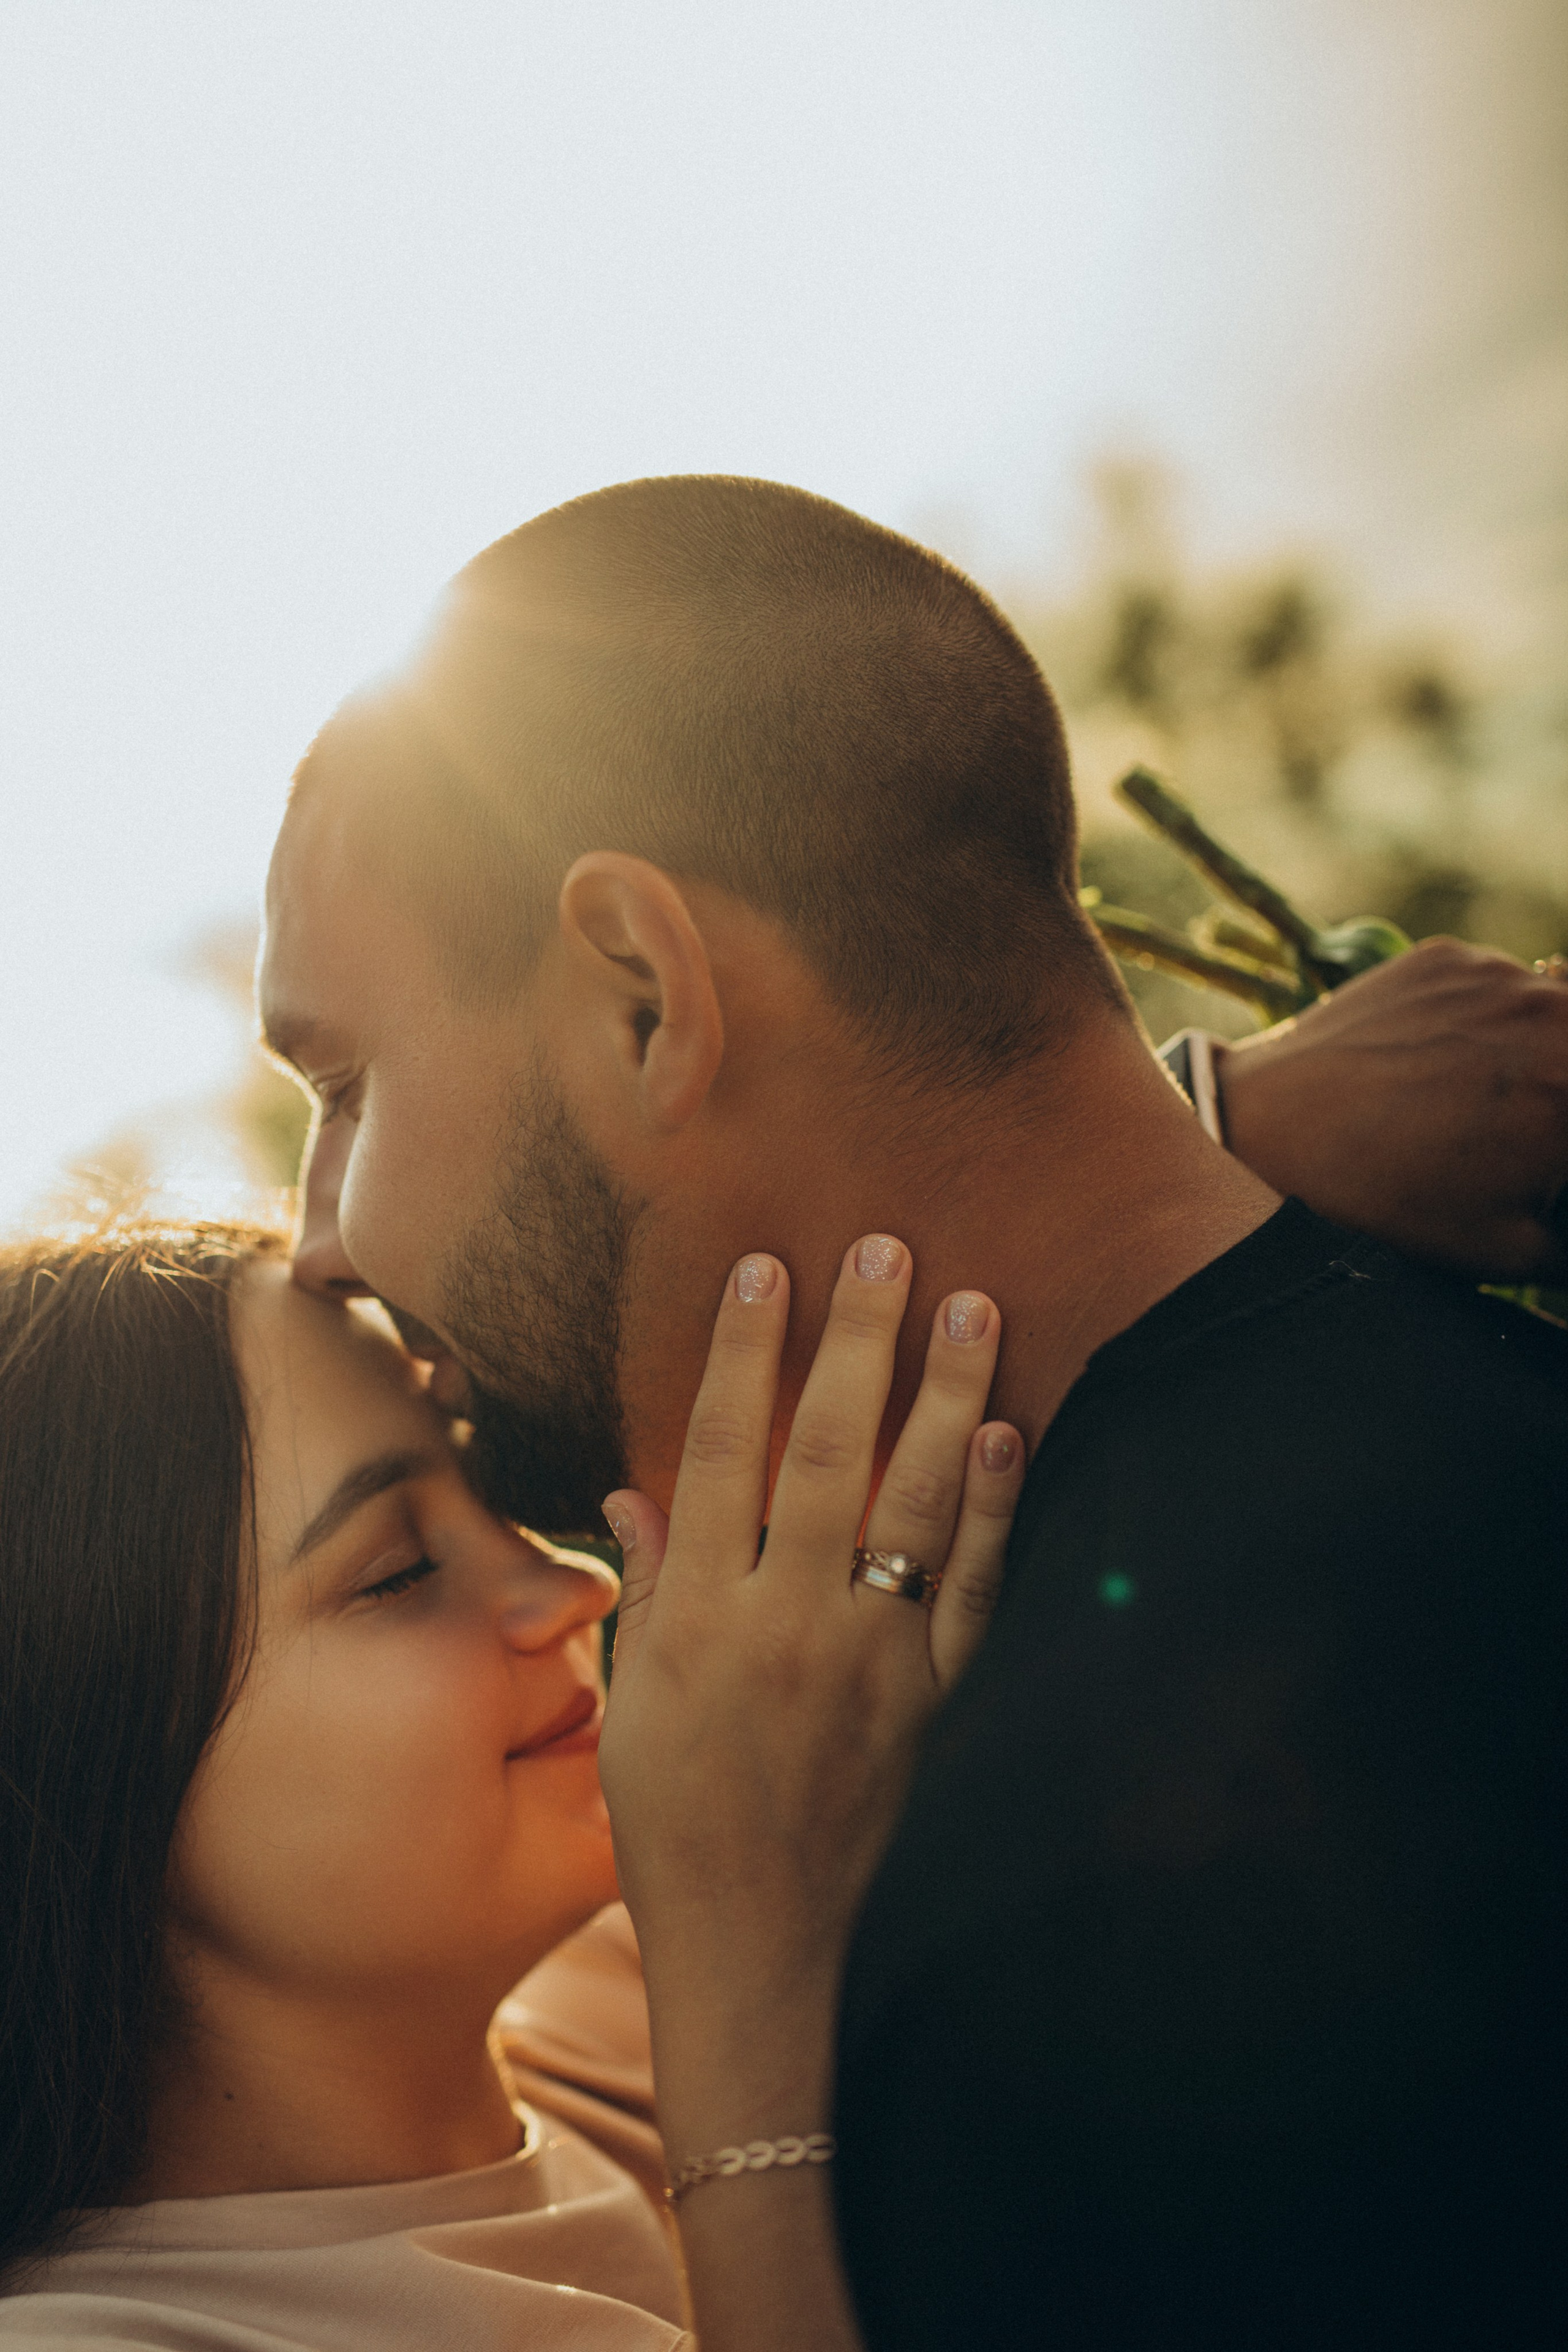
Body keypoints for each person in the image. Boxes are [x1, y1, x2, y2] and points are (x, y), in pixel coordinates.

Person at [260, 475, 1568, 2345]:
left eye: (346, 1086)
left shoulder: (1054, 1960)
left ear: (644, 998)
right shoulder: (1475, 1409)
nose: (314, 1246)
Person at [0, 1215, 1019, 2351]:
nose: (573, 1585)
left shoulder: (604, 2025)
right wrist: (756, 2042)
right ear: (96, 1772)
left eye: (493, 1501)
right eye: (400, 1573)